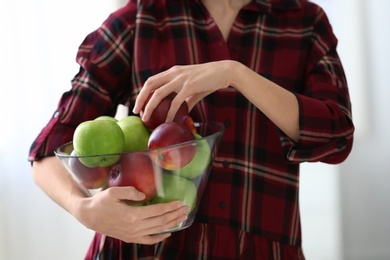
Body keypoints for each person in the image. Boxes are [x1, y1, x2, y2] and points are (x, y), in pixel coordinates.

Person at [29, 0, 354, 259]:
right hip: (146, 250)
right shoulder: (138, 19)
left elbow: (337, 136)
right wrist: (83, 209)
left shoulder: (305, 23)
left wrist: (236, 74)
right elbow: (47, 150)